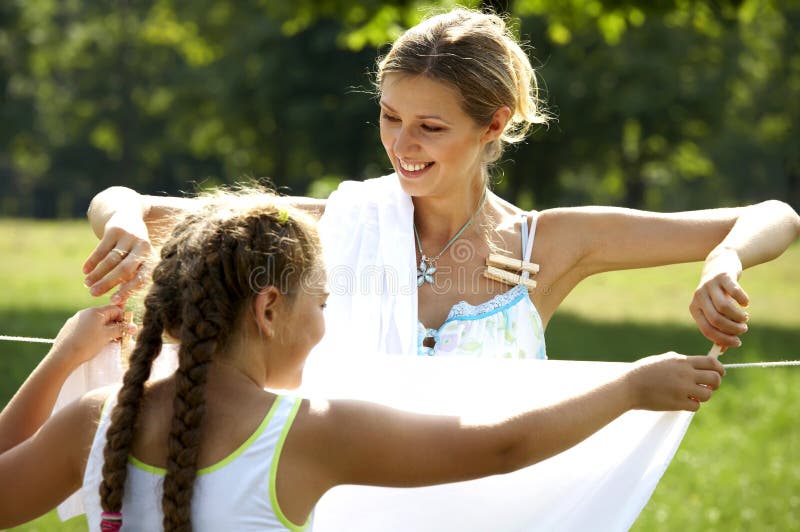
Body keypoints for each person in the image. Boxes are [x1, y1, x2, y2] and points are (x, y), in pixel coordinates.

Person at [82, 8, 800, 358]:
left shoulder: (547, 244)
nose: (402, 145)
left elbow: (776, 214)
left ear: (494, 124)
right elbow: (135, 206)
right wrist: (117, 222)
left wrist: (724, 258)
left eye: (431, 127)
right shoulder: (338, 220)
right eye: (391, 118)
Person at [0, 198, 725, 531]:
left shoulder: (96, 423)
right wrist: (630, 386)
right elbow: (500, 447)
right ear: (270, 311)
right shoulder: (309, 432)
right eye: (323, 303)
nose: (327, 326)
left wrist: (63, 361)